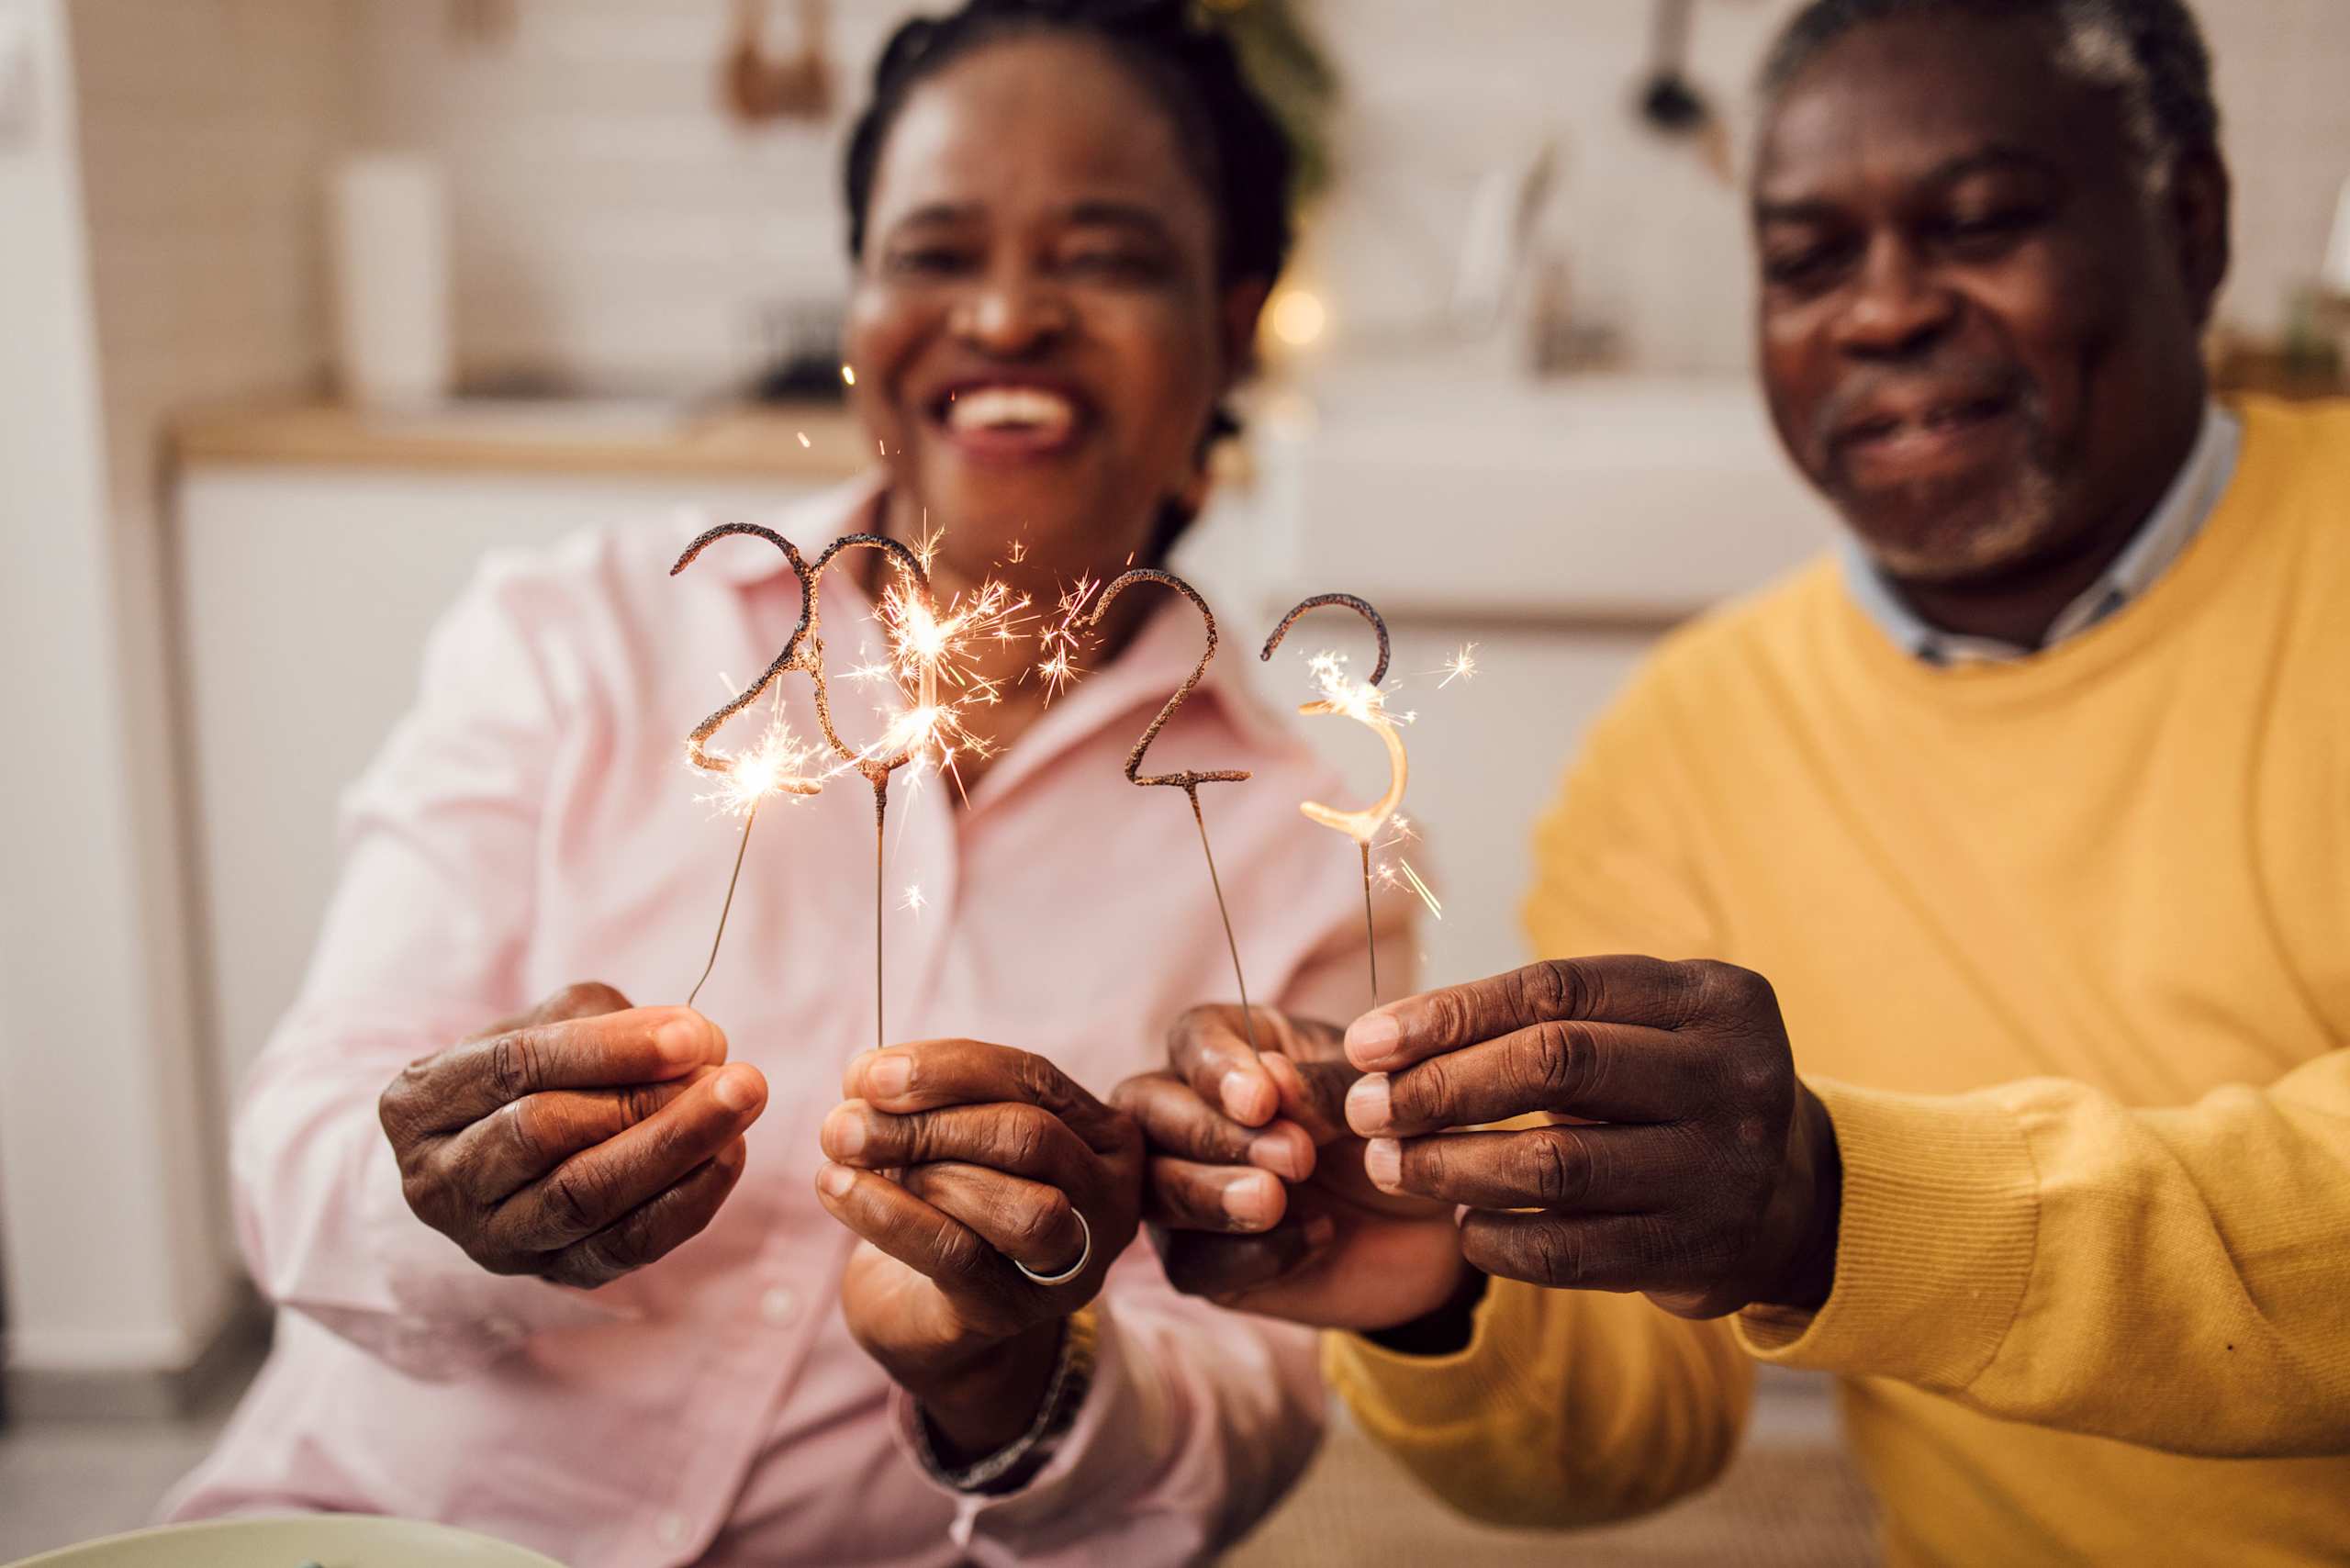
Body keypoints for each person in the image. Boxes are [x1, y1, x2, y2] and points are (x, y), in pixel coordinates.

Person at [165, 4, 1409, 1562]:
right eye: (936, 252)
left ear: (1234, 323)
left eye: (1103, 256)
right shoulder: (579, 636)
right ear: (863, 303)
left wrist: (1015, 1371)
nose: (1007, 313)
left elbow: (1248, 1404)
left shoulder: (1293, 847)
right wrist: (448, 1198)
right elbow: (298, 1153)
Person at [1121, 0, 2350, 1561]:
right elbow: (1639, 1416)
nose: (1883, 313)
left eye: (1977, 224)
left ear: (2193, 225)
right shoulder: (1684, 749)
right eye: (1809, 259)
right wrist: (1446, 1284)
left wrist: (1845, 1205)